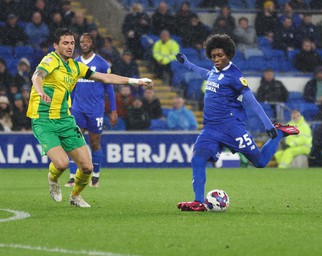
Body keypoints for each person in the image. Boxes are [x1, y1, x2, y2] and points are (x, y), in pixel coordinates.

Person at [26, 28, 152, 208]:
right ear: (56, 45)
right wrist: (40, 91)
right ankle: (53, 180)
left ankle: (75, 196)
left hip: (65, 120)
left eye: (72, 43)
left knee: (87, 167)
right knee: (61, 164)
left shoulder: (75, 66)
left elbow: (106, 78)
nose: (70, 47)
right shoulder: (50, 60)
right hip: (44, 119)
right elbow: (37, 76)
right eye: (65, 43)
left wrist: (135, 81)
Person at [174, 34, 299, 211]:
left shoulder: (235, 76)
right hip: (210, 129)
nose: (217, 59)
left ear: (229, 55)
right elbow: (203, 73)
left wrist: (268, 125)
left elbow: (251, 101)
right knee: (198, 158)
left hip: (231, 128)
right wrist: (186, 63)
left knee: (261, 162)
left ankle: (279, 134)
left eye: (220, 55)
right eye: (214, 56)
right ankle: (198, 202)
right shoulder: (214, 73)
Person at [64, 33, 118, 188]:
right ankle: (73, 176)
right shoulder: (74, 63)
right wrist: (69, 106)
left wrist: (113, 110)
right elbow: (71, 87)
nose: (84, 44)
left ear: (92, 43)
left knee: (95, 143)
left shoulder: (102, 64)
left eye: (87, 41)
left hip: (95, 110)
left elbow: (109, 88)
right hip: (78, 109)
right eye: (81, 41)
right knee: (75, 142)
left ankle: (95, 177)